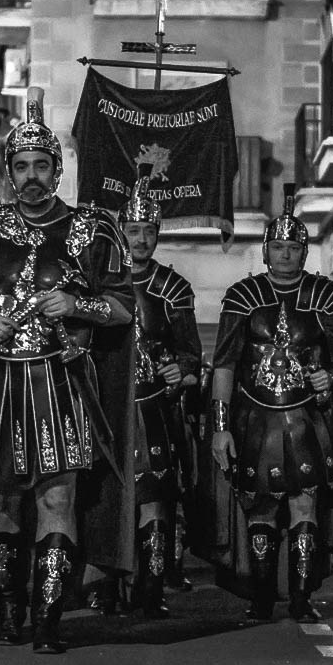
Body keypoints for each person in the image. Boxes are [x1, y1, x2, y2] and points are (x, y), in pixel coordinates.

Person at [0, 86, 136, 653]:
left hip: (60, 384)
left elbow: (123, 308)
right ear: (9, 172)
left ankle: (49, 619)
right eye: (21, 166)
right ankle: (8, 608)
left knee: (57, 501)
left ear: (57, 170)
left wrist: (77, 305)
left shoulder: (94, 229)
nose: (31, 176)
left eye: (41, 165)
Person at [209, 184, 333, 623]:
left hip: (307, 419)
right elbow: (224, 365)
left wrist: (330, 375)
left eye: (293, 247)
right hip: (254, 418)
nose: (285, 255)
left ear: (304, 251)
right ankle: (261, 599)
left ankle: (301, 599)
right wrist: (220, 427)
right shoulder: (242, 297)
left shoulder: (326, 295)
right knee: (259, 508)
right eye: (278, 247)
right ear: (266, 251)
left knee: (305, 505)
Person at [105, 166, 200, 618]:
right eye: (133, 229)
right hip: (108, 408)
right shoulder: (101, 282)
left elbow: (190, 352)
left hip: (156, 410)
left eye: (148, 230)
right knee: (106, 496)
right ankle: (104, 585)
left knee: (156, 499)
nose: (141, 239)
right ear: (121, 230)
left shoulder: (173, 288)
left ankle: (151, 586)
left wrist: (182, 369)